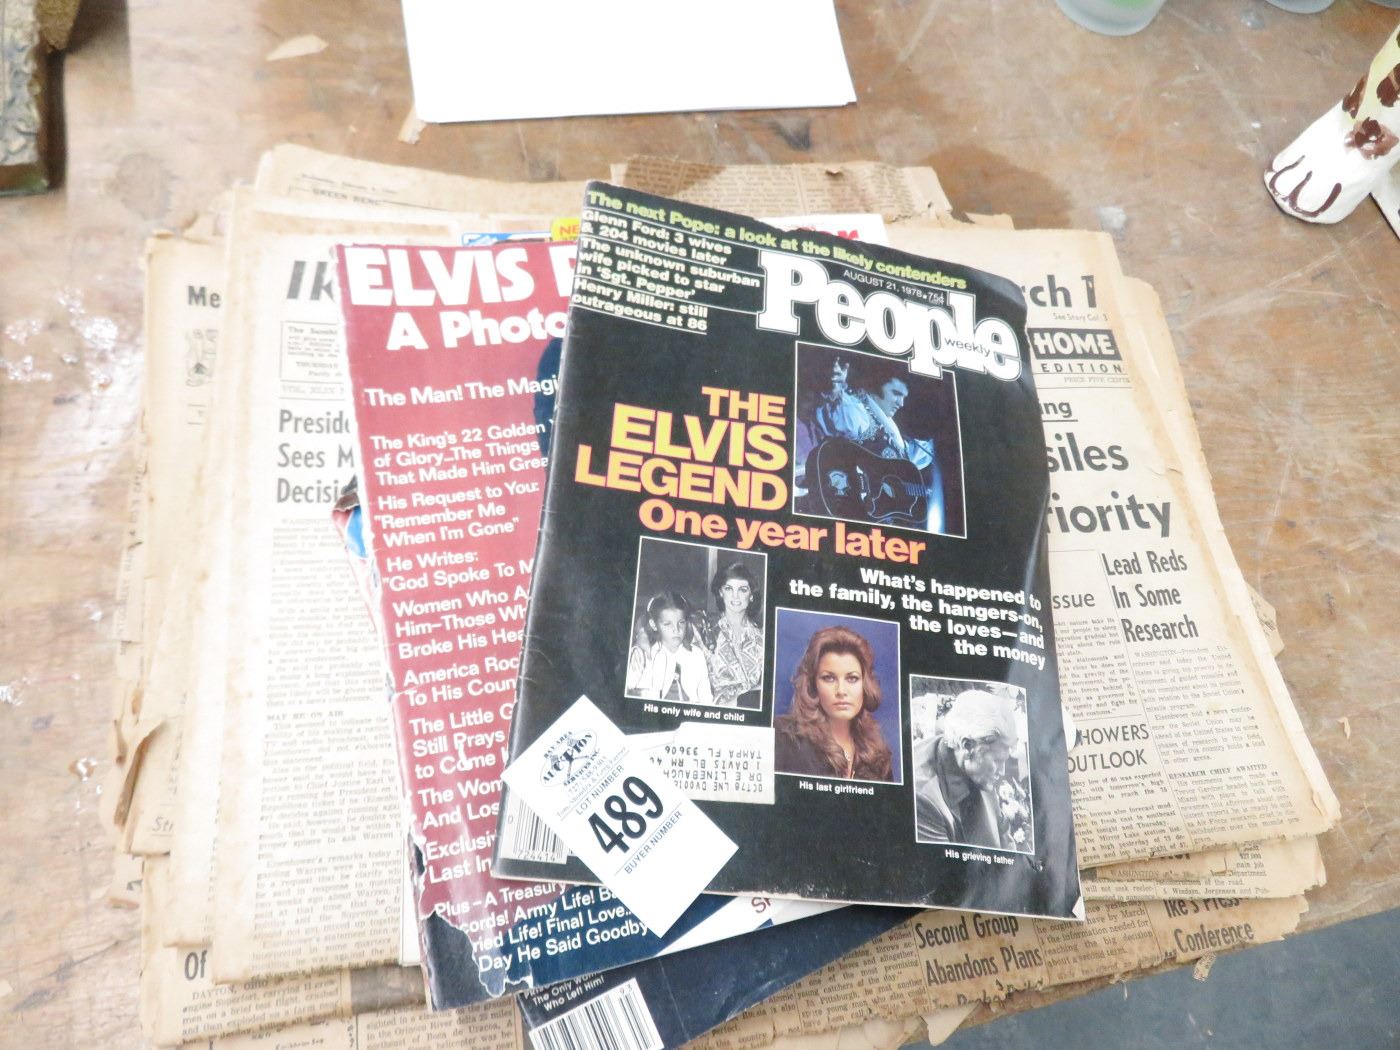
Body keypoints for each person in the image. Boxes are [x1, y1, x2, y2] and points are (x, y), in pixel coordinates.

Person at [799, 355, 944, 533]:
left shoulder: (893, 431)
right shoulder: (858, 412)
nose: (901, 403)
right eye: (896, 394)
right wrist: (837, 390)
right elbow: (840, 415)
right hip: (847, 510)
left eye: (904, 397)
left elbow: (914, 456)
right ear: (875, 387)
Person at [913, 689, 1032, 852]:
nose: (1002, 771)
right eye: (997, 761)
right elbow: (942, 865)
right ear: (968, 746)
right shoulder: (924, 797)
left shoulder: (976, 766)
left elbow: (1004, 839)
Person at [774, 626, 893, 781]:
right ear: (813, 684)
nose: (841, 691)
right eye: (829, 678)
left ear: (865, 685)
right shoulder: (784, 737)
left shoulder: (877, 755)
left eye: (852, 678)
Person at [625, 591, 713, 705]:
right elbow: (629, 693)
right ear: (654, 625)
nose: (676, 630)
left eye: (681, 622)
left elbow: (706, 699)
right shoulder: (644, 656)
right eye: (667, 624)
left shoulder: (697, 655)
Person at [702, 562, 764, 710]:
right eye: (729, 589)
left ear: (751, 596)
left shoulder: (762, 636)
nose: (735, 596)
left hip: (750, 710)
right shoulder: (705, 628)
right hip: (714, 711)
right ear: (721, 592)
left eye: (742, 590)